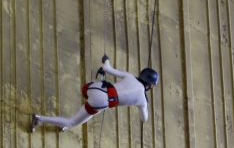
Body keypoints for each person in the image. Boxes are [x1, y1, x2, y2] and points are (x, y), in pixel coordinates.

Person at [30, 55, 159, 132]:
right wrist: (145, 105)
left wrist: (106, 59)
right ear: (150, 85)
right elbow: (144, 119)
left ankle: (62, 124)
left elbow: (107, 68)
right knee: (72, 123)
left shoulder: (130, 76)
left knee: (96, 97)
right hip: (100, 102)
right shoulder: (142, 99)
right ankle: (40, 119)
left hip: (94, 88)